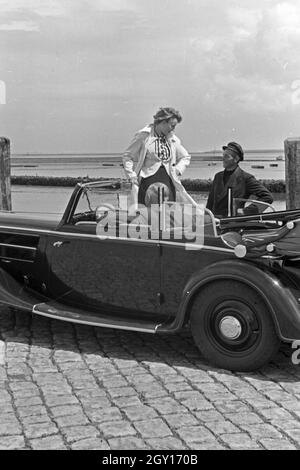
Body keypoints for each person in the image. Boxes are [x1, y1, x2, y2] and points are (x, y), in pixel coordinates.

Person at [123, 107, 196, 210]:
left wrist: (178, 170)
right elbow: (128, 156)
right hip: (148, 180)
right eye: (172, 125)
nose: (173, 129)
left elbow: (186, 157)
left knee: (168, 214)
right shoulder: (144, 135)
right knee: (147, 214)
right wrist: (132, 175)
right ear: (162, 122)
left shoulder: (172, 138)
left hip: (168, 181)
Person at [206, 142, 273, 218]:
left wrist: (246, 212)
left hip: (233, 224)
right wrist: (206, 219)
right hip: (215, 224)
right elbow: (210, 203)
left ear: (236, 159)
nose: (223, 158)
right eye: (223, 155)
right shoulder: (218, 176)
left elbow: (268, 197)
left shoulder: (246, 178)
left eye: (227, 156)